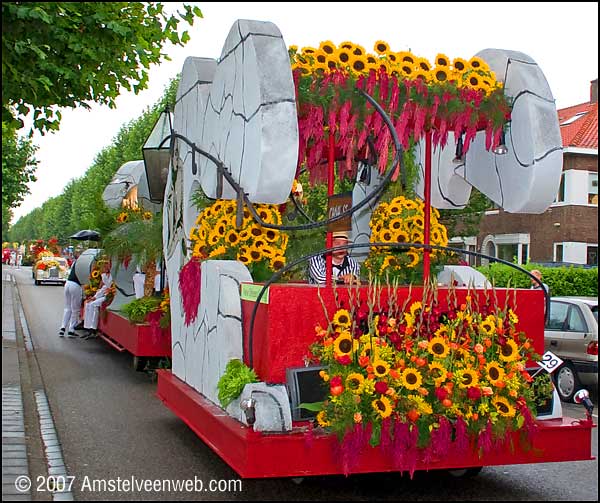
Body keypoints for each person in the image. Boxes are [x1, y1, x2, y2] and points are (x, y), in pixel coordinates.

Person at [81, 261, 113, 339]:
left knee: (93, 304)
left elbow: (109, 287)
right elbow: (103, 288)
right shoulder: (104, 275)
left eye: (107, 266)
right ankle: (88, 328)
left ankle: (93, 329)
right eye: (104, 267)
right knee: (89, 304)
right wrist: (94, 297)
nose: (105, 268)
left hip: (109, 295)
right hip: (104, 294)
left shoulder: (112, 276)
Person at [59, 257, 83, 338]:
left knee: (67, 307)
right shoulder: (84, 264)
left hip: (68, 283)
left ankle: (62, 328)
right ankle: (71, 330)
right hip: (76, 285)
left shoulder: (75, 262)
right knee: (75, 309)